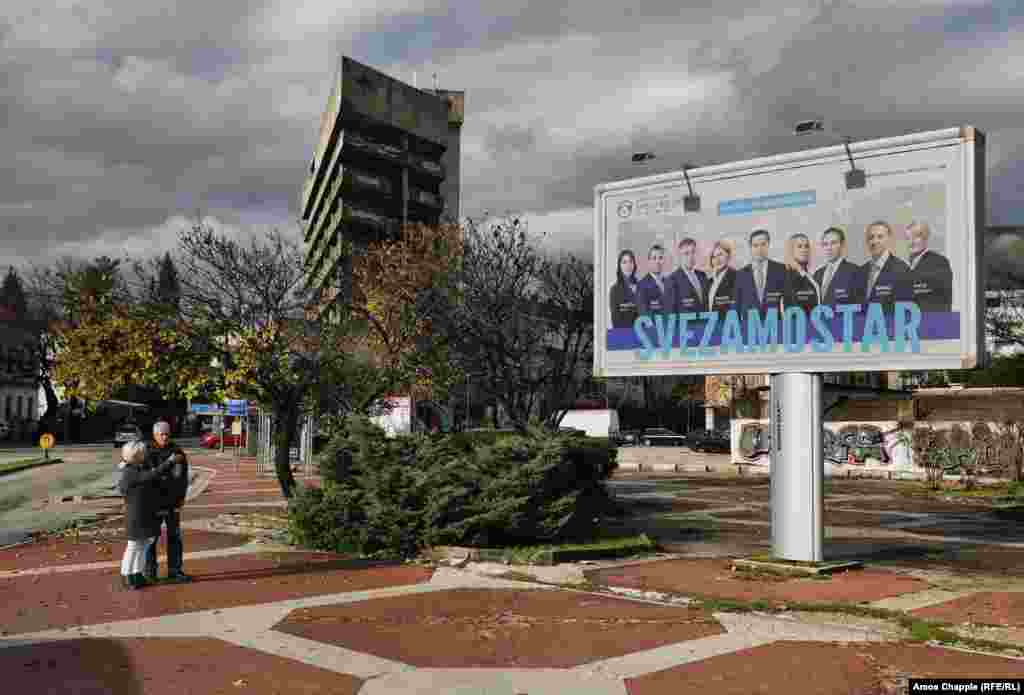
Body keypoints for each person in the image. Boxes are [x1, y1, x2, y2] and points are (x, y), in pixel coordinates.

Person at [118, 440, 175, 590]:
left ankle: (137, 574)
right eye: (143, 453)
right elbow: (151, 475)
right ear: (136, 456)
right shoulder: (130, 472)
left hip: (144, 514)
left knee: (143, 546)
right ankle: (127, 575)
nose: (145, 455)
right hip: (136, 516)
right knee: (133, 546)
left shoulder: (136, 468)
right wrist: (169, 462)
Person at [143, 421, 192, 583]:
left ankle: (175, 570)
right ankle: (150, 571)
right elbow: (149, 476)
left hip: (172, 501)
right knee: (151, 538)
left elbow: (183, 477)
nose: (164, 437)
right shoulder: (147, 451)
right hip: (153, 502)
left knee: (175, 537)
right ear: (154, 435)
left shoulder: (177, 451)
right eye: (161, 434)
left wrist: (182, 498)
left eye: (167, 434)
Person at [861, 221, 912, 312]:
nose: (874, 241)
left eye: (880, 237)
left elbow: (905, 310)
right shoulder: (861, 271)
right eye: (871, 237)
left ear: (889, 239)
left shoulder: (902, 270)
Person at [736, 229, 786, 319]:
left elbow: (788, 301)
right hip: (749, 327)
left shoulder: (781, 269)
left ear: (768, 245)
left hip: (774, 325)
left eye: (763, 244)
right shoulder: (741, 274)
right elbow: (736, 307)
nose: (759, 249)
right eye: (755, 245)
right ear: (750, 247)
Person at [905, 221, 953, 312]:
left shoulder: (939, 262)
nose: (911, 242)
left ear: (925, 238)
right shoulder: (907, 264)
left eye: (916, 237)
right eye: (908, 238)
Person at [813, 227, 863, 307]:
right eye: (825, 244)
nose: (829, 248)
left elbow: (860, 307)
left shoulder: (855, 272)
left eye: (833, 243)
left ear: (842, 245)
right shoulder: (817, 274)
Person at [783, 233, 821, 316]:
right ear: (791, 250)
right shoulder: (787, 277)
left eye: (806, 246)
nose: (804, 250)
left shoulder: (808, 276)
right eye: (799, 246)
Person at [668, 237, 707, 314]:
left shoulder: (702, 275)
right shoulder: (672, 280)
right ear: (680, 256)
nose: (690, 257)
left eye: (693, 252)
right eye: (686, 253)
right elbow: (671, 312)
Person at [636, 243, 676, 318]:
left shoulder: (670, 282)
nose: (657, 261)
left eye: (660, 258)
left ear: (664, 261)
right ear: (649, 261)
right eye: (654, 258)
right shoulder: (641, 285)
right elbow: (644, 314)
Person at [705, 239, 738, 317]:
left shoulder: (737, 277)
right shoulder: (710, 281)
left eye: (720, 255)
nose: (717, 260)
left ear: (728, 256)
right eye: (714, 257)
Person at [609, 249, 641, 328]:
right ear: (619, 266)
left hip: (642, 335)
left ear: (634, 264)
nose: (628, 265)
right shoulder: (614, 290)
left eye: (631, 261)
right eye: (624, 262)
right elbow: (615, 320)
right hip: (624, 336)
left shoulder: (641, 286)